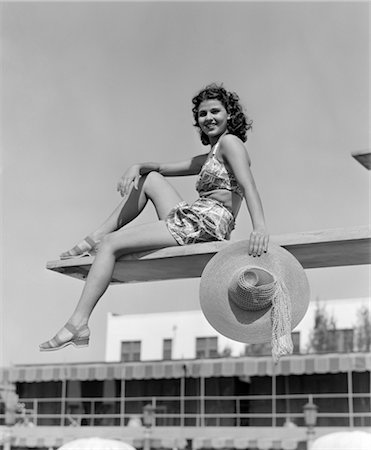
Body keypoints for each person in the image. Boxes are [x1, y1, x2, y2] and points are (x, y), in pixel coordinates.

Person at [39, 83, 269, 351]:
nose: (208, 118)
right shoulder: (212, 154)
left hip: (205, 224)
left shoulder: (231, 143)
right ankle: (95, 238)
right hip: (194, 218)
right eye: (202, 114)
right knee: (151, 179)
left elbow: (249, 185)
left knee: (111, 245)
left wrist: (260, 228)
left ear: (229, 114)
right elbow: (162, 168)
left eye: (215, 111)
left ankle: (78, 322)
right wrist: (136, 166)